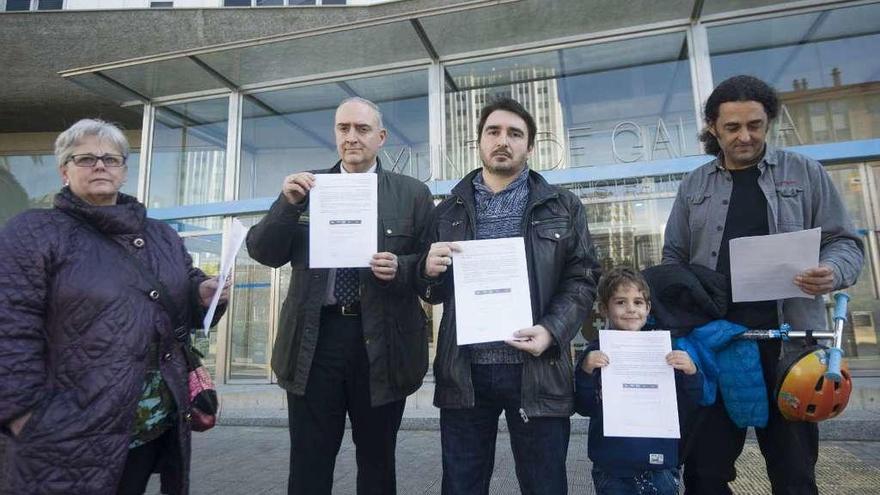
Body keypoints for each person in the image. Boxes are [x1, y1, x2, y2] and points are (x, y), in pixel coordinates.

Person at [0, 118, 229, 495]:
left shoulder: (160, 235)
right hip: (69, 429)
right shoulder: (34, 233)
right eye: (86, 159)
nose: (101, 166)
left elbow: (179, 304)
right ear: (64, 170)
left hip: (148, 423)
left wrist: (201, 294)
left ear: (124, 171)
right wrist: (23, 416)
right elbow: (10, 329)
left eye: (111, 159)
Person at [662, 75, 865, 494]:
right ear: (713, 128)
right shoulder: (694, 186)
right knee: (704, 474)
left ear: (768, 121)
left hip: (791, 353)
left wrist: (832, 270)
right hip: (716, 347)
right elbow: (673, 262)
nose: (745, 136)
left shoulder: (804, 173)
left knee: (794, 476)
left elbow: (845, 243)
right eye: (732, 127)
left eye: (755, 125)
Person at [246, 97, 434, 495]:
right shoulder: (307, 188)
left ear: (381, 138)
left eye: (362, 129)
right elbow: (264, 252)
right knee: (309, 461)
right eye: (344, 128)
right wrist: (285, 204)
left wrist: (401, 269)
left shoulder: (412, 194)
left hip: (382, 343)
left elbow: (430, 274)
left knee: (378, 461)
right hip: (315, 341)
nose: (352, 137)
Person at [417, 97, 600, 494]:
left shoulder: (563, 206)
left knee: (543, 485)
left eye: (515, 134)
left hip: (536, 369)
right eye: (493, 132)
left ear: (529, 146)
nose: (503, 141)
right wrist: (426, 272)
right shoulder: (447, 211)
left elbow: (583, 278)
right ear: (479, 142)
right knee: (462, 485)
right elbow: (431, 294)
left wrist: (552, 331)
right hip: (466, 372)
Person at [574, 267, 703, 495]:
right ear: (604, 308)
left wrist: (692, 373)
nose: (631, 309)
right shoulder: (594, 353)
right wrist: (585, 372)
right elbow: (584, 407)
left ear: (648, 308)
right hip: (612, 463)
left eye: (638, 302)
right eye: (621, 302)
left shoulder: (666, 350)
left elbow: (690, 403)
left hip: (660, 461)